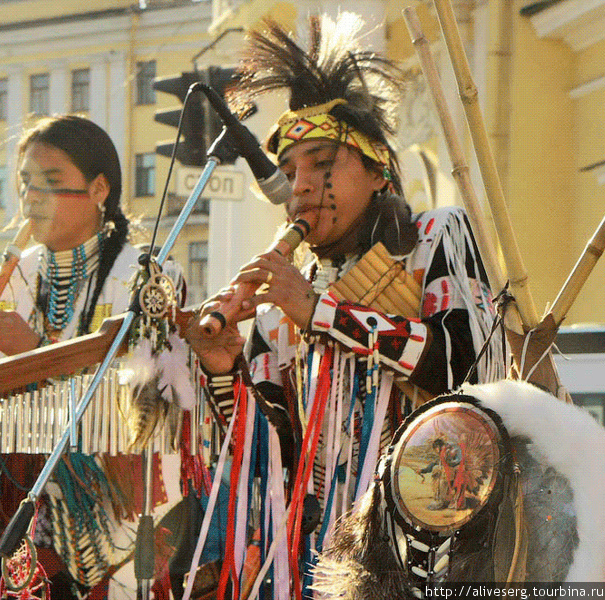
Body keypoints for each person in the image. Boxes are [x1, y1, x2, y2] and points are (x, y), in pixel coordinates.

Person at [185, 14, 504, 596]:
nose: (299, 185)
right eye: (288, 170)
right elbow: (273, 456)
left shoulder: (434, 237)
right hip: (319, 557)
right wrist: (224, 366)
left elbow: (468, 369)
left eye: (321, 164)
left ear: (378, 168)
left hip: (432, 551)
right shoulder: (282, 299)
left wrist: (323, 315)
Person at [0, 115, 186, 600]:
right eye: (25, 183)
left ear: (99, 190)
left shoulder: (148, 279)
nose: (31, 198)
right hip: (17, 520)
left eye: (50, 183)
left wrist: (34, 353)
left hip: (119, 522)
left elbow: (150, 415)